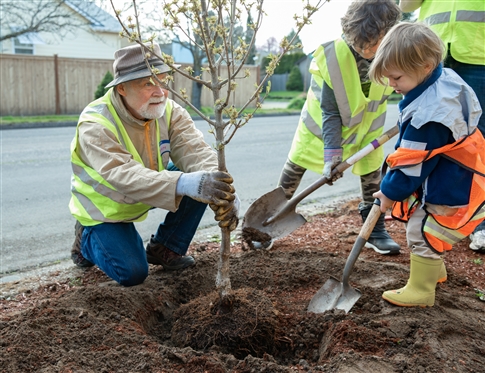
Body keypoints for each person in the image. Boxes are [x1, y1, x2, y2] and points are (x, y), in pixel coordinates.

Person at [69, 43, 239, 286]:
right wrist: (183, 183)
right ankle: (85, 239)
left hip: (148, 187)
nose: (160, 91)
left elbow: (196, 152)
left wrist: (224, 190)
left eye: (163, 80)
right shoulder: (95, 123)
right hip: (104, 209)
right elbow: (123, 175)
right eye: (148, 83)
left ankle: (166, 247)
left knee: (202, 179)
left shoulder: (168, 110)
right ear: (122, 88)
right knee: (133, 273)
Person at [369, 22, 485, 307]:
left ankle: (421, 290)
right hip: (457, 171)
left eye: (396, 78)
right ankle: (433, 272)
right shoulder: (441, 79)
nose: (392, 85)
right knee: (426, 222)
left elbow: (411, 165)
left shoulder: (429, 117)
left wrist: (388, 192)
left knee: (420, 230)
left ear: (425, 66)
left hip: (452, 182)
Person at [276, 0, 402, 255]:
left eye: (373, 44)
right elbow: (331, 111)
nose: (365, 50)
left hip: (367, 129)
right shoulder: (333, 57)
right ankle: (270, 220)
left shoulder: (397, 50)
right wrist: (332, 156)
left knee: (372, 175)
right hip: (319, 129)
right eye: (359, 44)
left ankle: (375, 229)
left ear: (388, 35)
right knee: (295, 168)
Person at [399, 0, 485, 253]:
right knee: (433, 137)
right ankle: (433, 214)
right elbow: (406, 4)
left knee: (476, 141)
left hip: (478, 53)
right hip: (432, 51)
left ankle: (478, 222)